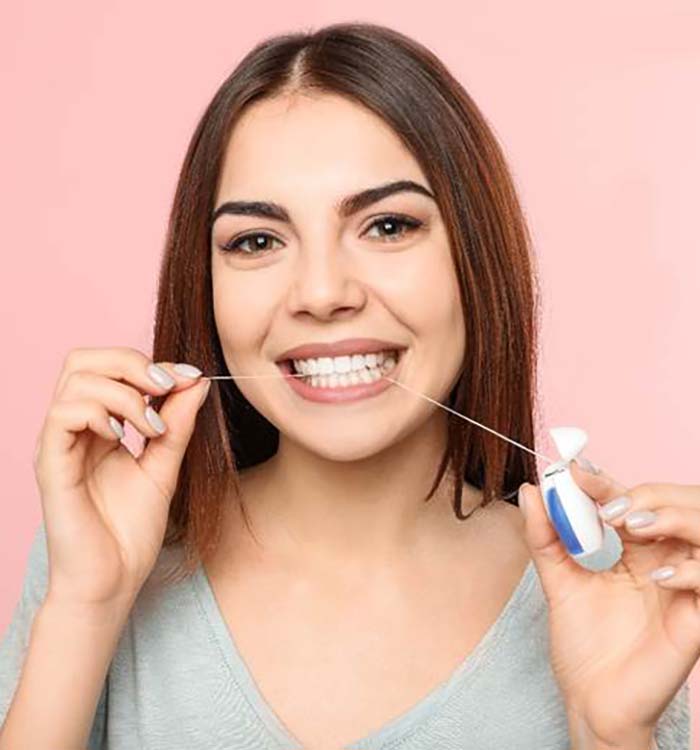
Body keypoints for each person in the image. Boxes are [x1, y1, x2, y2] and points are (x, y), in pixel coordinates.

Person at [0, 21, 692, 750]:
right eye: (257, 241)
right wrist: (87, 604)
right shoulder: (101, 560)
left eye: (388, 226)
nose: (323, 292)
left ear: (475, 258)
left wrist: (609, 733)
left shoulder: (603, 596)